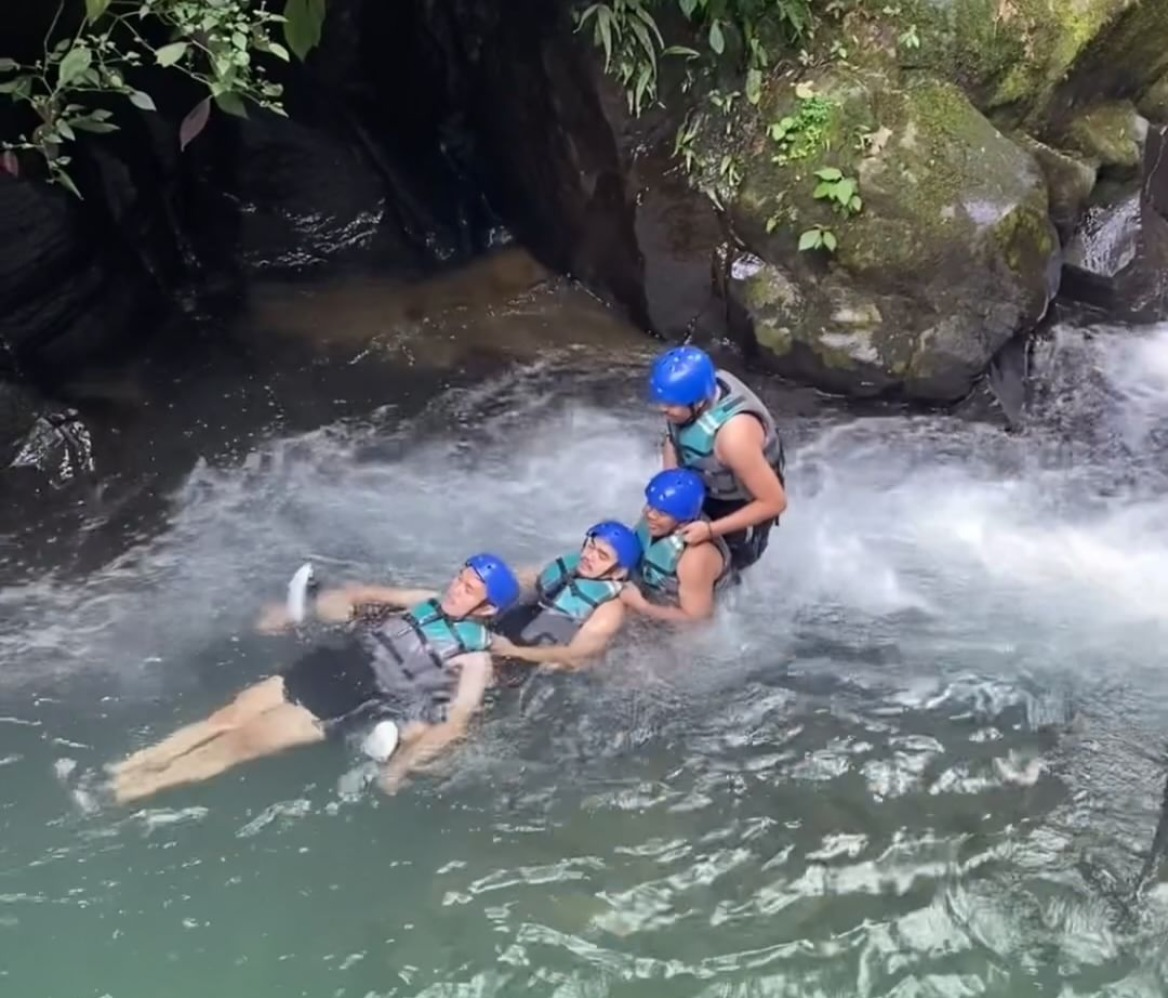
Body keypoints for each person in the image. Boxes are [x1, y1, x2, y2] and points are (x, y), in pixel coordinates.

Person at [107, 554, 523, 804]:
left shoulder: (475, 658)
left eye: (469, 590)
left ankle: (138, 789)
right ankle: (132, 766)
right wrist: (298, 611)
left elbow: (456, 721)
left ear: (486, 609)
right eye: (461, 579)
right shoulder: (425, 600)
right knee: (225, 718)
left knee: (237, 744)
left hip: (340, 704)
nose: (456, 590)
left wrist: (403, 765)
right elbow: (364, 596)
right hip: (324, 667)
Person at [649, 345, 787, 572]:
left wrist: (710, 530)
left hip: (742, 505)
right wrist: (670, 498)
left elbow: (774, 502)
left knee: (719, 572)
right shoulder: (692, 391)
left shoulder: (734, 439)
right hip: (707, 483)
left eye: (671, 404)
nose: (662, 409)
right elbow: (674, 437)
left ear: (698, 402)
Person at [490, 521, 642, 671]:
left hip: (529, 655)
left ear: (618, 572)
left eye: (602, 556)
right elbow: (532, 580)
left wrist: (513, 651)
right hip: (516, 625)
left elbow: (573, 656)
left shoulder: (609, 611)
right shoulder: (572, 566)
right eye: (591, 546)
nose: (589, 556)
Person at [621, 468, 733, 623]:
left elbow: (697, 621)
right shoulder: (654, 520)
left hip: (680, 618)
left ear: (684, 521)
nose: (650, 514)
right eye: (650, 505)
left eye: (661, 513)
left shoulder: (695, 557)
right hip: (651, 592)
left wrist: (642, 606)